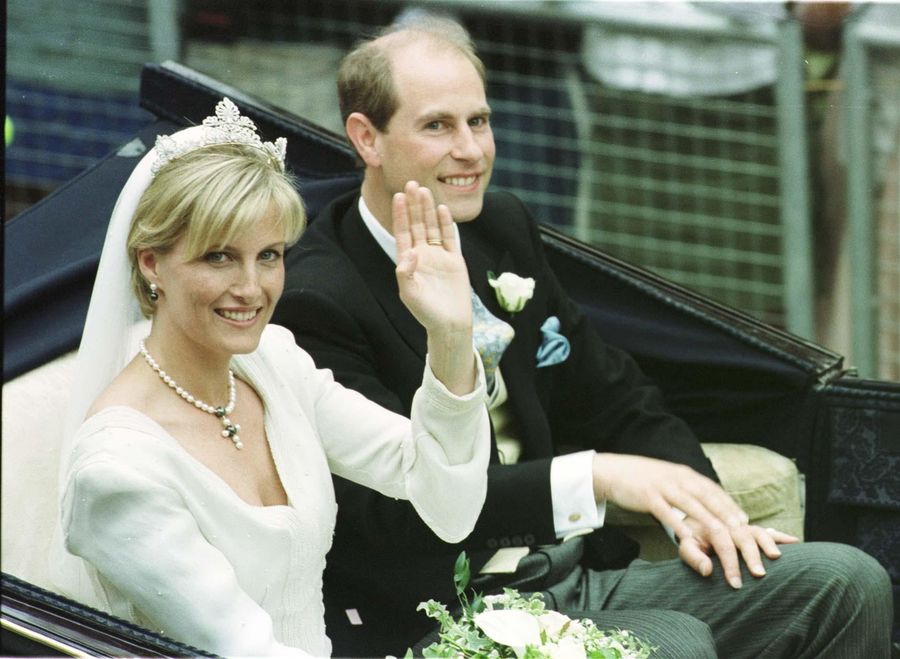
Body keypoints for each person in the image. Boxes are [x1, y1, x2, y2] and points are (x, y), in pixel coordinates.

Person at [273, 15, 894, 658]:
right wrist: (594, 477)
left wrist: (701, 504)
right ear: (366, 137)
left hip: (578, 576)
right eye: (438, 126)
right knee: (675, 646)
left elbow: (611, 390)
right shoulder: (319, 297)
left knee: (849, 583)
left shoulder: (500, 225)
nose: (472, 150)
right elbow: (400, 509)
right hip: (440, 611)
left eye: (479, 121)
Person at [49, 98, 491, 657]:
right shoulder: (116, 472)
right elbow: (243, 648)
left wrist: (450, 336)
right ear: (151, 263)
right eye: (218, 257)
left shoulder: (273, 361)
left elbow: (445, 499)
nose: (253, 288)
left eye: (270, 255)